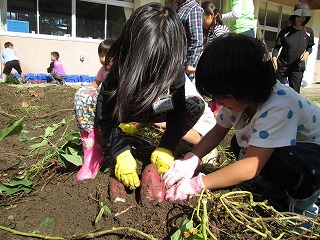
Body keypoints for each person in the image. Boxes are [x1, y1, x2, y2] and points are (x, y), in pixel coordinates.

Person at [164, 33, 320, 222]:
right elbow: (217, 131)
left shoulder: (279, 106)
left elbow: (250, 167)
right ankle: (272, 186)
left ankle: (304, 207)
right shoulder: (240, 101)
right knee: (239, 145)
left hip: (310, 160)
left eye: (221, 96)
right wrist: (192, 158)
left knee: (275, 161)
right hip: (285, 151)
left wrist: (198, 184)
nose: (218, 102)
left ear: (247, 86)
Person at [95, 3, 204, 190]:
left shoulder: (174, 67)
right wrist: (119, 151)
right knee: (85, 98)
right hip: (122, 109)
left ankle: (151, 138)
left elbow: (177, 112)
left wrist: (167, 147)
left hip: (152, 108)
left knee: (194, 104)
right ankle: (98, 147)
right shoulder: (121, 65)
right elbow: (103, 113)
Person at [119, 75, 219, 162]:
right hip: (177, 110)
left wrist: (159, 124)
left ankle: (208, 149)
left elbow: (158, 109)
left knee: (164, 125)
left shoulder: (168, 75)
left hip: (201, 119)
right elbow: (156, 108)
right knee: (160, 124)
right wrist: (136, 128)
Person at [74, 39, 114, 181]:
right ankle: (93, 153)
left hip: (118, 103)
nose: (103, 59)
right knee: (83, 95)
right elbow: (96, 83)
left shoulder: (123, 70)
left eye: (107, 55)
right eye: (100, 55)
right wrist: (88, 93)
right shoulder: (103, 70)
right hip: (104, 102)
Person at [272, 3, 314, 94]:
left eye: (304, 16)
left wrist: (307, 53)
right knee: (278, 92)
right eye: (299, 16)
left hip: (297, 68)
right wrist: (274, 58)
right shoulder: (285, 31)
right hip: (282, 67)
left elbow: (310, 47)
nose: (301, 19)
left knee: (294, 94)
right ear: (294, 16)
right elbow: (276, 47)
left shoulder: (309, 32)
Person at [172, 0, 204, 81]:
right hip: (175, 64)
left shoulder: (194, 9)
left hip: (184, 67)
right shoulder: (180, 8)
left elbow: (197, 40)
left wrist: (191, 63)